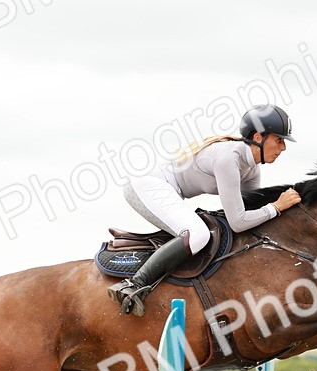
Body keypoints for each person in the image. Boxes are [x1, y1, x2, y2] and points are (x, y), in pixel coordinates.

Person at [107, 104, 303, 316]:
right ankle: (132, 285)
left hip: (169, 190)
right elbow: (238, 221)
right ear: (258, 137)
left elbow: (250, 214)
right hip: (147, 185)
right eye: (279, 140)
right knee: (198, 234)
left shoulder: (251, 169)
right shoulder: (229, 158)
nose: (283, 148)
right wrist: (276, 206)